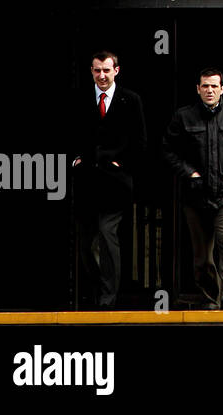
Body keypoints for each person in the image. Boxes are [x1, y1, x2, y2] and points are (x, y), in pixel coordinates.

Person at [161, 67, 223, 310]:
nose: (210, 90)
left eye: (214, 86)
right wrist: (188, 172)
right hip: (195, 196)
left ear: (222, 89)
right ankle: (210, 298)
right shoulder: (184, 117)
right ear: (198, 88)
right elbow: (167, 150)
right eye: (205, 86)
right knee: (202, 256)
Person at [71, 50, 147, 310]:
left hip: (115, 183)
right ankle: (97, 289)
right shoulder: (80, 98)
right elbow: (68, 132)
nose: (101, 75)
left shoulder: (131, 100)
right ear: (91, 71)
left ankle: (108, 298)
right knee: (84, 244)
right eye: (96, 70)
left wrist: (122, 164)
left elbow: (140, 141)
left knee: (106, 234)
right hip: (87, 182)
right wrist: (76, 160)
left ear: (116, 70)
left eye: (106, 70)